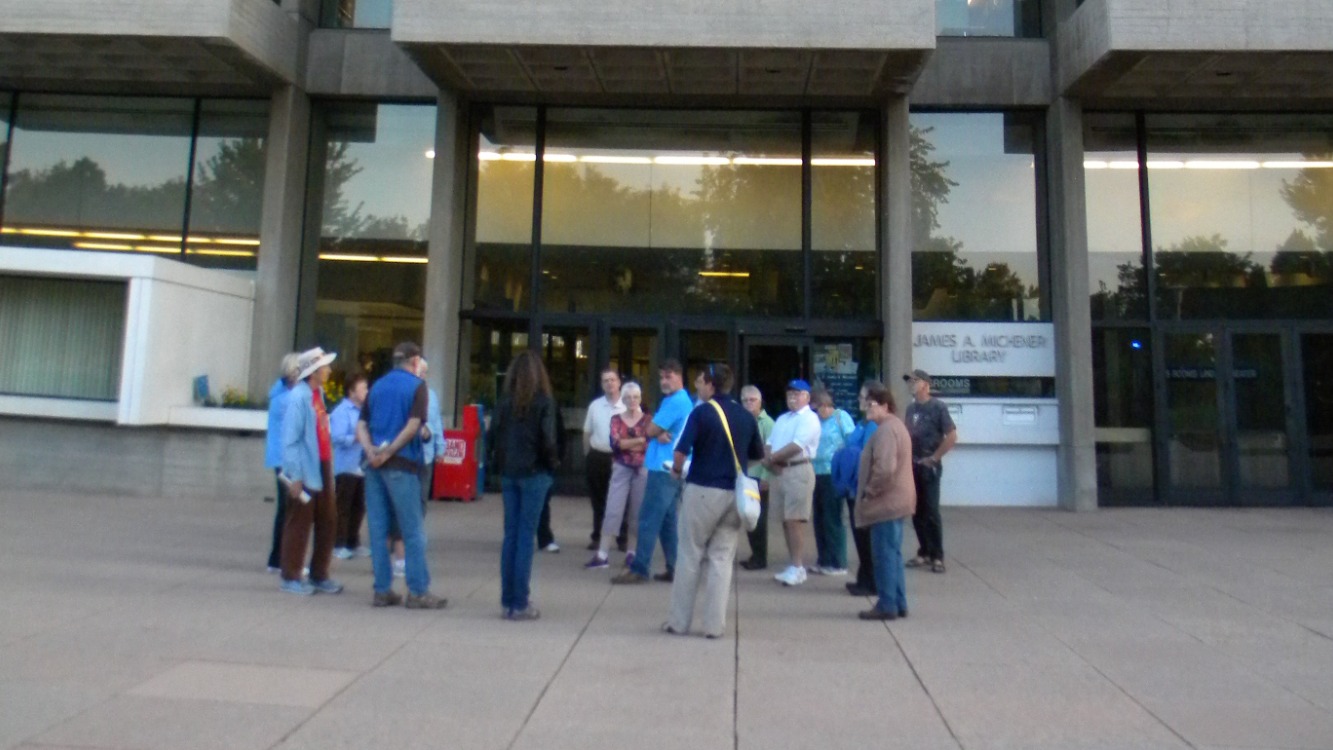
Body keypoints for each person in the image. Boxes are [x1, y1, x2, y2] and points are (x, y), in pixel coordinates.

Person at [663, 364, 763, 638]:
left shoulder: (701, 413)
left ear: (710, 384)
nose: (698, 387)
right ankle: (713, 626)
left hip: (702, 489)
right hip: (734, 493)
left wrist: (674, 470)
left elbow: (681, 452)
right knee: (721, 559)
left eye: (701, 382)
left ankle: (679, 622)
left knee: (690, 554)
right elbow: (757, 455)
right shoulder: (746, 416)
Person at [356, 342, 447, 609]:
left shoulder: (377, 386)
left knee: (378, 527)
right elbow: (413, 426)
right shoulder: (417, 386)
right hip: (403, 464)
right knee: (413, 530)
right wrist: (391, 450)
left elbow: (361, 425)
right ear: (415, 361)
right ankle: (418, 590)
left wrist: (371, 451)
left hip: (373, 466)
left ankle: (382, 589)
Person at [489, 350, 560, 621]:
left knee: (511, 535)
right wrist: (552, 464)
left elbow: (493, 434)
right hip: (535, 471)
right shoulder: (544, 402)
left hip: (510, 471)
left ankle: (509, 599)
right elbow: (548, 440)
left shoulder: (505, 402)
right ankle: (520, 601)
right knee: (525, 537)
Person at [612, 359, 692, 584]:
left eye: (669, 376)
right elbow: (654, 430)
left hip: (663, 468)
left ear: (679, 376)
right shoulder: (677, 400)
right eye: (661, 377)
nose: (664, 381)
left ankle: (640, 568)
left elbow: (650, 428)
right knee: (667, 522)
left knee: (648, 518)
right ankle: (674, 567)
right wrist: (655, 432)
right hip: (670, 467)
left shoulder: (675, 402)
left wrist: (654, 431)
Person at [279, 347, 343, 596]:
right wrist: (295, 475)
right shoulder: (299, 397)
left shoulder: (318, 394)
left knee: (328, 520)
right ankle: (291, 575)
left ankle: (319, 573)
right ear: (313, 372)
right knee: (300, 522)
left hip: (323, 463)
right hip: (306, 467)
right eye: (325, 366)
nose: (329, 370)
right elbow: (290, 439)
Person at [854, 385, 915, 621]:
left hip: (886, 504)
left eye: (872, 405)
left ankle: (887, 604)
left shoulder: (886, 431)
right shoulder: (894, 427)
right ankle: (898, 602)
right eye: (865, 404)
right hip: (896, 502)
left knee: (884, 555)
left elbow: (885, 469)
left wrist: (869, 491)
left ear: (885, 406)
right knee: (893, 554)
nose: (866, 409)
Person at [760, 379, 820, 587]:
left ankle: (798, 566)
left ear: (807, 397)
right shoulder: (783, 418)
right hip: (779, 471)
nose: (793, 398)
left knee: (795, 520)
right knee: (785, 520)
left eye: (798, 394)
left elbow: (797, 445)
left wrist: (772, 458)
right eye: (790, 394)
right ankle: (793, 565)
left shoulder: (810, 418)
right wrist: (770, 459)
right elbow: (769, 442)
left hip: (798, 469)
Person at [585, 381, 649, 569]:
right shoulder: (616, 419)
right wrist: (638, 440)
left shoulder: (648, 420)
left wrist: (629, 442)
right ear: (623, 398)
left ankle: (631, 553)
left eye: (635, 397)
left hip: (641, 470)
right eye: (628, 397)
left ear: (640, 398)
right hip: (621, 468)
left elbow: (648, 444)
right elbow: (616, 444)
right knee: (613, 509)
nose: (632, 400)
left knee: (636, 513)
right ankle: (602, 554)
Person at [902, 369, 957, 574]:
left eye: (914, 381)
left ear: (925, 384)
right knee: (916, 511)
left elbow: (951, 436)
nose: (911, 384)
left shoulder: (938, 407)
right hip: (912, 465)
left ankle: (937, 555)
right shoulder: (911, 409)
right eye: (909, 381)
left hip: (929, 467)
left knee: (931, 511)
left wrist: (934, 458)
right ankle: (924, 551)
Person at [831, 381, 883, 597]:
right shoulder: (862, 423)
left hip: (863, 488)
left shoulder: (873, 426)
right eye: (860, 397)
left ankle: (871, 581)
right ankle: (863, 577)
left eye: (864, 398)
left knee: (865, 537)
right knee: (858, 535)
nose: (860, 401)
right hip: (852, 486)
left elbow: (867, 456)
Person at [811, 388, 855, 577]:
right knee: (819, 518)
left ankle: (838, 561)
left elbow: (851, 443)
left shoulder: (841, 417)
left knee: (832, 517)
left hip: (833, 472)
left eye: (827, 405)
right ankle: (824, 559)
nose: (824, 409)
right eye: (819, 405)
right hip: (816, 472)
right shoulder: (813, 420)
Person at [264, 352, 302, 573]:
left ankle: (277, 558)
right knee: (289, 509)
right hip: (286, 459)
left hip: (281, 458)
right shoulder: (287, 399)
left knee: (286, 508)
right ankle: (281, 559)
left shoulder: (280, 394)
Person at [582, 367, 626, 552]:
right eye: (605, 381)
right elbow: (587, 432)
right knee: (598, 500)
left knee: (622, 500)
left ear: (619, 383)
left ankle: (622, 538)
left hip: (620, 457)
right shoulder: (595, 406)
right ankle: (598, 536)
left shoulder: (628, 405)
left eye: (612, 380)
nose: (609, 383)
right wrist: (588, 455)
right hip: (597, 456)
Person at [330, 371, 370, 560]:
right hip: (346, 466)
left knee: (359, 506)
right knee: (343, 506)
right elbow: (337, 437)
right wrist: (356, 437)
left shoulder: (365, 411)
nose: (366, 392)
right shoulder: (341, 411)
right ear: (352, 391)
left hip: (362, 466)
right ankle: (339, 543)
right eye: (363, 389)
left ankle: (353, 541)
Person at [738, 385, 774, 571]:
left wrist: (767, 477)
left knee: (759, 520)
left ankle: (760, 558)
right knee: (748, 517)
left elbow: (770, 454)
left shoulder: (767, 423)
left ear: (760, 402)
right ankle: (754, 554)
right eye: (745, 400)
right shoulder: (740, 421)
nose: (749, 403)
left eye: (752, 400)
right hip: (744, 476)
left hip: (759, 477)